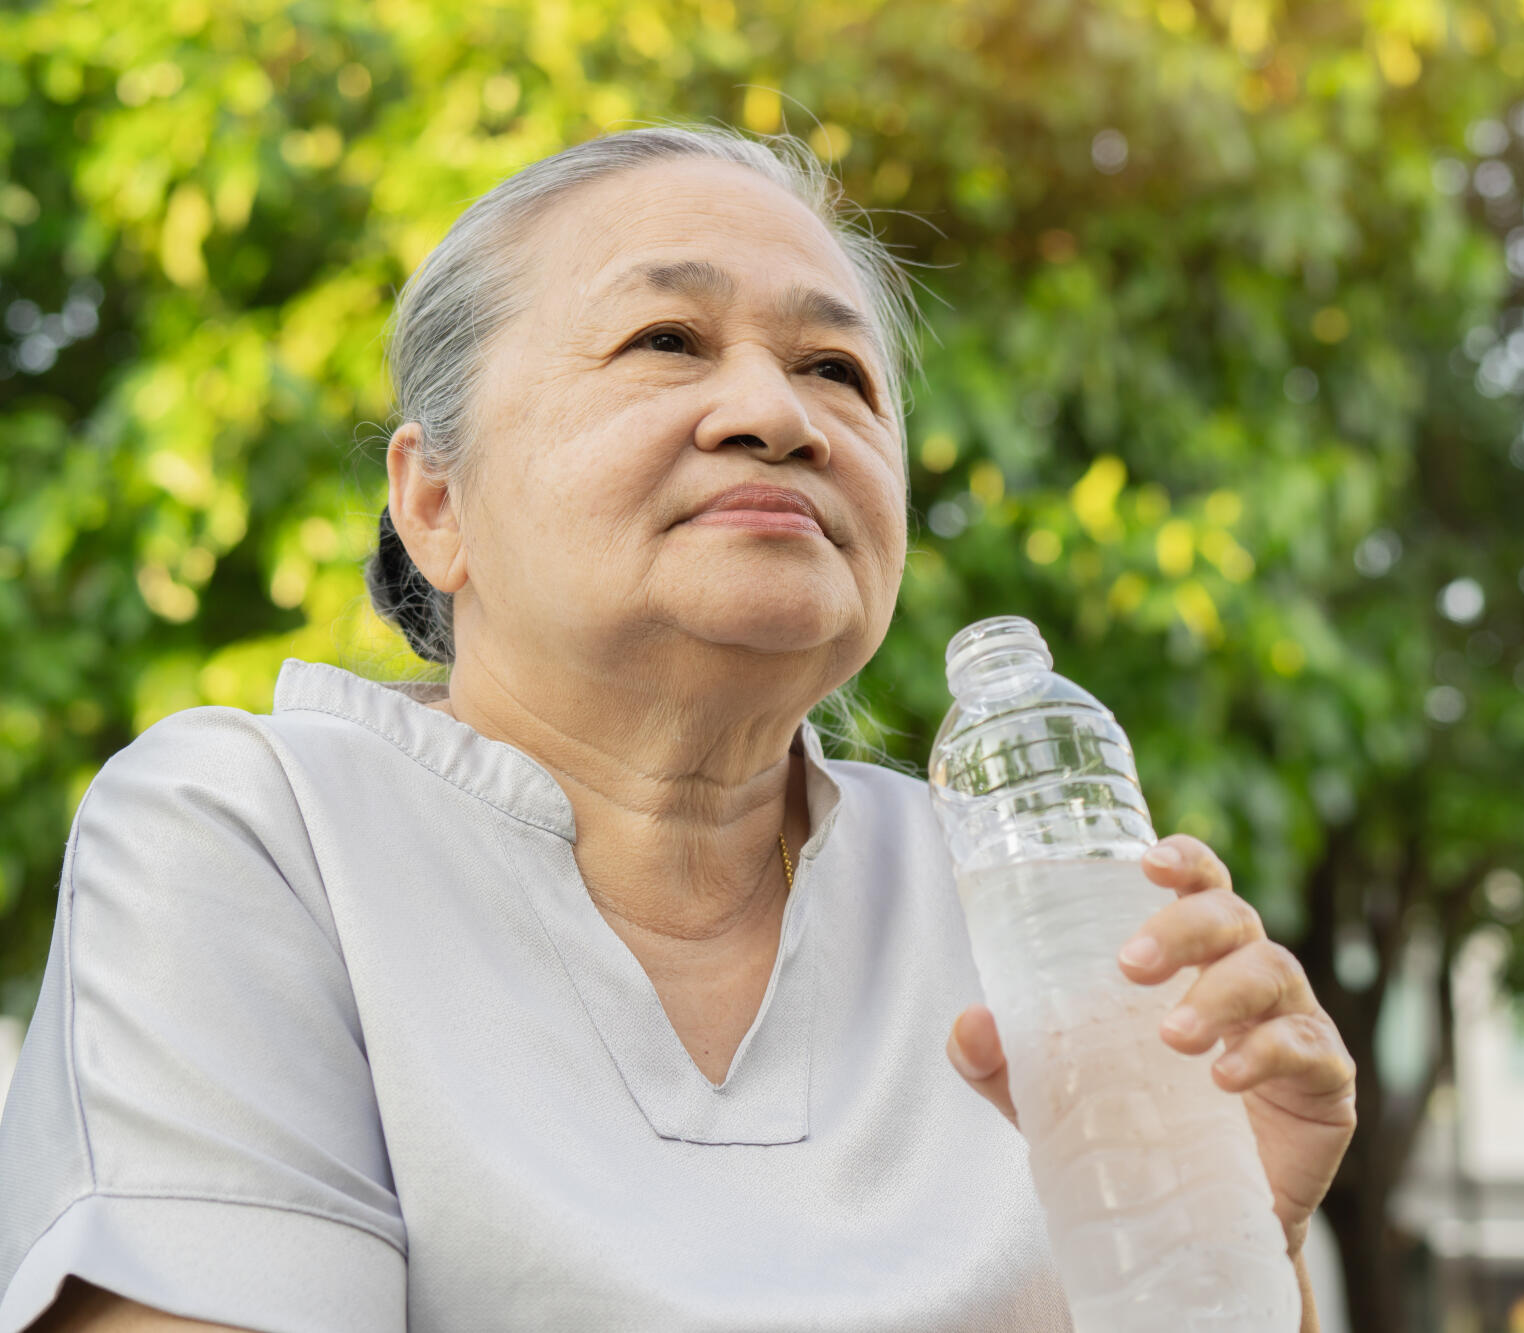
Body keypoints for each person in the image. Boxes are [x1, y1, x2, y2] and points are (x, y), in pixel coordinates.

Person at [0, 124, 1356, 1333]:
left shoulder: (1013, 896)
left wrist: (1242, 1253)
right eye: (667, 341)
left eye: (838, 369)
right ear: (433, 502)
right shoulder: (255, 830)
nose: (778, 415)